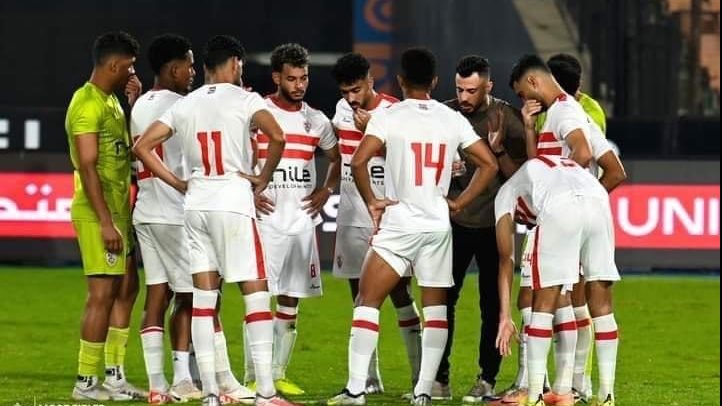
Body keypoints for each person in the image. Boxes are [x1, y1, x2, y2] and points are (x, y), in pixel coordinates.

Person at [327, 47, 499, 406]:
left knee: (367, 301)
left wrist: (373, 202)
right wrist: (459, 203)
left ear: (400, 80)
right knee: (435, 311)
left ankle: (356, 390)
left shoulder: (389, 116)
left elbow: (358, 162)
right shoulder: (451, 118)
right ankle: (424, 391)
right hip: (437, 226)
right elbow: (488, 164)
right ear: (434, 81)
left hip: (400, 224)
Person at [133, 34, 297, 406]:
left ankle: (210, 392)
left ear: (206, 66)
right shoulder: (246, 99)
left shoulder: (186, 103)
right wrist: (263, 177)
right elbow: (277, 136)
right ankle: (266, 392)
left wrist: (178, 182)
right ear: (236, 63)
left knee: (203, 299)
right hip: (232, 200)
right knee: (256, 292)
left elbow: (142, 147)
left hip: (195, 204)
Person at [504, 55, 621, 406]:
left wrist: (563, 196)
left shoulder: (562, 111)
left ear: (534, 82)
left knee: (541, 298)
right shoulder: (578, 113)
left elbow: (581, 153)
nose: (524, 100)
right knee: (595, 299)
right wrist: (529, 129)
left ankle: (536, 393)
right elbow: (615, 171)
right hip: (594, 211)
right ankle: (600, 394)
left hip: (562, 214)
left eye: (522, 92)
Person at [242, 43, 341, 397]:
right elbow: (237, 153)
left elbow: (336, 157)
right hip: (266, 221)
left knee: (290, 301)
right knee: (258, 299)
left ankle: (278, 373)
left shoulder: (316, 120)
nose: (299, 85)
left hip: (301, 222)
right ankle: (252, 376)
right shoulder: (258, 112)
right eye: (291, 78)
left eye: (303, 78)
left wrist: (327, 189)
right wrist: (250, 191)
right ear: (276, 78)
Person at [432, 55, 527, 403]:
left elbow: (524, 176)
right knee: (442, 301)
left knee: (492, 305)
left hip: (493, 223)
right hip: (452, 223)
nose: (464, 97)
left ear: (489, 86)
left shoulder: (508, 118)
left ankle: (487, 379)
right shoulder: (444, 114)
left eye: (471, 90)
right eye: (459, 89)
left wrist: (498, 152)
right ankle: (439, 378)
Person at [330, 52, 422, 395]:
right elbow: (337, 152)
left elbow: (409, 158)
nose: (351, 98)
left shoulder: (394, 112)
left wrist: (374, 133)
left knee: (400, 293)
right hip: (351, 217)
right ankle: (369, 378)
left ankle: (419, 378)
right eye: (345, 92)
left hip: (388, 218)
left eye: (356, 89)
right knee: (359, 297)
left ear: (371, 81)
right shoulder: (341, 111)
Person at [495, 155, 620, 406]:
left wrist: (505, 317)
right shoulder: (545, 168)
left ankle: (535, 396)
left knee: (544, 301)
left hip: (560, 206)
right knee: (602, 304)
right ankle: (607, 396)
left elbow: (506, 259)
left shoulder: (504, 194)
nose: (524, 223)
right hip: (599, 201)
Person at [66, 30, 145, 401]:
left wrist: (135, 102)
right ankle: (85, 382)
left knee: (128, 288)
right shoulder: (86, 104)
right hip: (99, 212)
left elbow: (122, 152)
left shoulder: (112, 102)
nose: (132, 73)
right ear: (114, 65)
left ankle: (115, 376)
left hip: (119, 208)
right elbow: (87, 165)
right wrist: (105, 221)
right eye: (129, 66)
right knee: (102, 294)